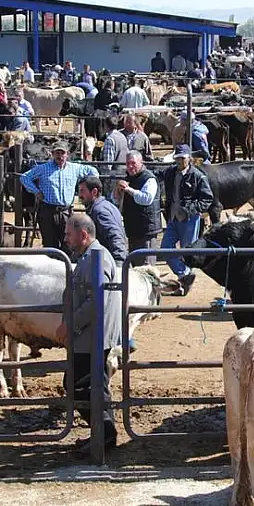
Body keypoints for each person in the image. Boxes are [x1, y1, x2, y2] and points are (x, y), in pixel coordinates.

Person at [63, 214, 121, 454]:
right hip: (91, 335)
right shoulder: (91, 256)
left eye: (69, 234)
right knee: (94, 386)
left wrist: (71, 324)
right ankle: (103, 434)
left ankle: (104, 435)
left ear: (83, 235)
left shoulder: (96, 258)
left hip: (92, 337)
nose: (65, 238)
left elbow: (95, 301)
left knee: (79, 385)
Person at [20, 142, 99, 252]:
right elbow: (24, 178)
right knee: (49, 244)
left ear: (67, 154)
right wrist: (36, 191)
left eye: (62, 153)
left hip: (66, 211)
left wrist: (89, 184)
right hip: (47, 210)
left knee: (69, 244)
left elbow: (93, 171)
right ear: (52, 154)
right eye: (57, 153)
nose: (60, 156)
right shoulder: (43, 168)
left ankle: (67, 267)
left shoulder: (75, 168)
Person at [160, 145, 213, 296]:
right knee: (165, 248)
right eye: (177, 158)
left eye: (182, 158)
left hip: (189, 219)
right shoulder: (170, 172)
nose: (179, 161)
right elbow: (158, 174)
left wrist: (190, 208)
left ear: (189, 158)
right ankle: (184, 275)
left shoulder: (197, 176)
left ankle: (183, 284)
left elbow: (207, 198)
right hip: (172, 218)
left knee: (187, 252)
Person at [115, 151, 161, 266]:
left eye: (133, 163)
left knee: (147, 267)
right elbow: (115, 200)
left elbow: (146, 199)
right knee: (135, 265)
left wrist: (128, 189)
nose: (130, 166)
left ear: (141, 163)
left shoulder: (149, 179)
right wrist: (118, 192)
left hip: (147, 230)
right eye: (127, 163)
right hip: (133, 229)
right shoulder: (128, 178)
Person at [78, 177, 128, 265]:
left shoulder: (99, 211)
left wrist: (119, 262)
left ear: (94, 192)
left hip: (107, 261)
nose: (79, 195)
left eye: (82, 191)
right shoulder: (106, 205)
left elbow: (114, 235)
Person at [100, 117, 129, 199]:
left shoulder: (110, 139)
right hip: (123, 172)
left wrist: (104, 177)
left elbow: (108, 162)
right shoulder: (122, 136)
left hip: (113, 175)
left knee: (110, 199)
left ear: (106, 126)